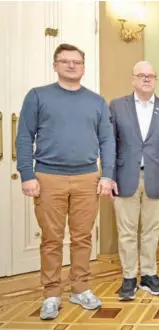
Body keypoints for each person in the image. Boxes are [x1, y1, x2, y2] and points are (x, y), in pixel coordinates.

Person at [15, 43, 115, 320]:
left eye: (76, 62)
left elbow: (107, 140)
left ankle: (80, 288)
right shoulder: (38, 96)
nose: (71, 65)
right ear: (55, 65)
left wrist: (107, 175)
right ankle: (51, 294)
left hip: (87, 178)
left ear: (83, 67)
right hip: (48, 178)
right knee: (51, 240)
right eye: (65, 61)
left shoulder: (96, 101)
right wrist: (27, 174)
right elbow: (24, 137)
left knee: (83, 238)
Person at [110, 61, 159, 300]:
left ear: (156, 80)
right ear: (133, 79)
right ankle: (129, 277)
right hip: (124, 178)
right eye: (141, 75)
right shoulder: (117, 106)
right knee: (127, 231)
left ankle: (149, 274)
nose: (146, 79)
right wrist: (108, 177)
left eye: (151, 76)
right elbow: (111, 144)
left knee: (151, 230)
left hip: (157, 179)